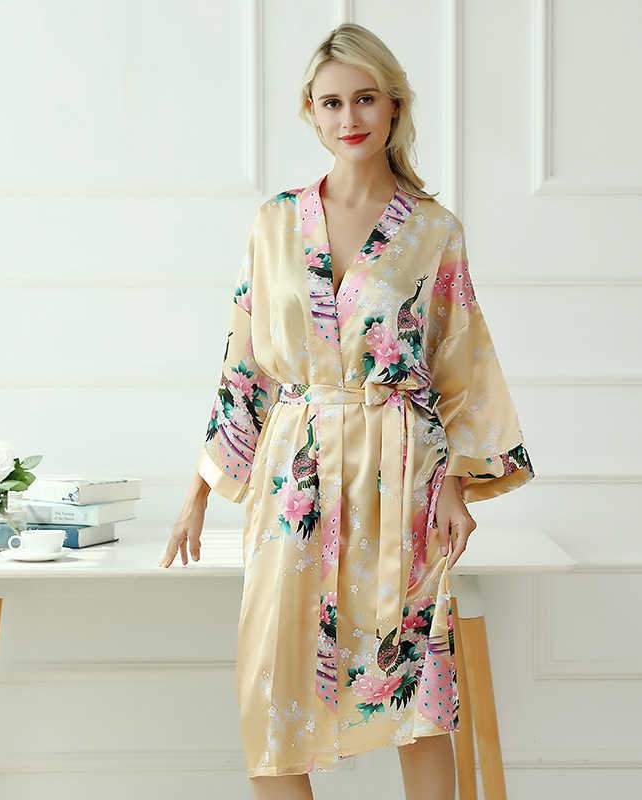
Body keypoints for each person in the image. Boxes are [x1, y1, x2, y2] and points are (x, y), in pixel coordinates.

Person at [160, 22, 534, 800]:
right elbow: (243, 362)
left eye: (365, 98)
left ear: (394, 105)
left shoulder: (432, 230)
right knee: (273, 682)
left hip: (401, 472)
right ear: (310, 112)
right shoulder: (275, 222)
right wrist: (197, 491)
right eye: (331, 102)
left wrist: (457, 487)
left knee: (414, 687)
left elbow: (459, 364)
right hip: (293, 472)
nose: (349, 117)